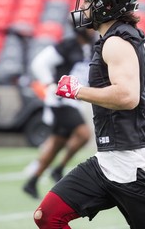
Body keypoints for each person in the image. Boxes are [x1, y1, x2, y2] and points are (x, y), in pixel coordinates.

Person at [33, 0, 145, 229]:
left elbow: (128, 96)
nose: (83, 7)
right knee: (48, 216)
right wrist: (138, 116)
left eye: (88, 1)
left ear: (107, 5)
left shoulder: (116, 42)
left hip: (135, 166)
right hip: (108, 161)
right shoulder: (133, 39)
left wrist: (77, 91)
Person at [23, 23, 95, 199]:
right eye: (90, 27)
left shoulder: (92, 47)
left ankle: (32, 182)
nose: (93, 30)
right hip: (61, 100)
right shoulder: (67, 45)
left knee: (57, 143)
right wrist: (49, 83)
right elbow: (39, 62)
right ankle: (59, 168)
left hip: (75, 100)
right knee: (84, 134)